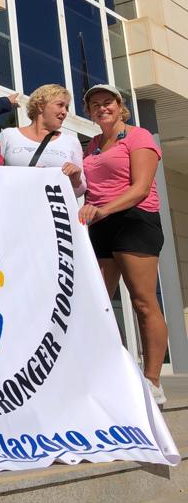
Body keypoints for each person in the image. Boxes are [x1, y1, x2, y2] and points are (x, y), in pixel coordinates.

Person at [79, 85, 167, 405]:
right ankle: (111, 372)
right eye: (95, 104)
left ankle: (153, 381)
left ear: (120, 107)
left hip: (134, 220)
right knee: (98, 304)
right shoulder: (91, 145)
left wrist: (104, 209)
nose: (102, 108)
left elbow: (141, 188)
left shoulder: (138, 136)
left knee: (143, 302)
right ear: (89, 111)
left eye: (107, 103)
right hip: (100, 225)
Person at [0, 84, 85, 195]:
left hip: (54, 210)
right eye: (60, 105)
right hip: (16, 207)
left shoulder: (71, 142)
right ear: (41, 106)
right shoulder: (8, 135)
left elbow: (79, 192)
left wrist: (76, 179)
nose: (64, 112)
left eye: (66, 107)